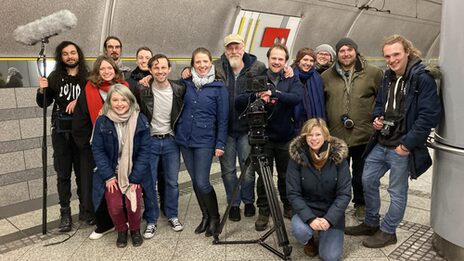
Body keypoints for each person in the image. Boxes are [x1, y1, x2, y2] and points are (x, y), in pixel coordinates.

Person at [345, 35, 441, 248]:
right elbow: (379, 104)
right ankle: (371, 222)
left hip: (402, 146)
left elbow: (429, 115)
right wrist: (377, 119)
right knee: (366, 179)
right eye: (387, 56)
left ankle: (388, 231)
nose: (391, 59)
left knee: (396, 191)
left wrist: (407, 145)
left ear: (408, 51)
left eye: (396, 54)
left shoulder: (422, 78)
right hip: (382, 141)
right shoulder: (388, 76)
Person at [236, 44, 303, 231]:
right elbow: (238, 102)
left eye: (281, 59)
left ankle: (287, 206)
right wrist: (256, 95)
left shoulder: (291, 78)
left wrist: (274, 93)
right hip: (263, 137)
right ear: (268, 59)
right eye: (274, 58)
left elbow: (297, 98)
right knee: (263, 178)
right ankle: (264, 211)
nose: (277, 62)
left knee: (285, 175)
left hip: (285, 137)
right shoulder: (258, 77)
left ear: (286, 61)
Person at [321, 37, 383, 221]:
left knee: (361, 174)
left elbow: (381, 100)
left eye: (349, 50)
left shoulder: (373, 73)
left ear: (356, 51)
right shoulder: (326, 76)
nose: (346, 53)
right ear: (337, 54)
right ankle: (337, 204)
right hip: (337, 135)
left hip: (364, 134)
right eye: (342, 50)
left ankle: (361, 204)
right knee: (337, 174)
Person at [72, 55, 129, 239]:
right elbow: (80, 120)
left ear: (115, 69)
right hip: (96, 148)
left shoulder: (124, 87)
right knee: (100, 186)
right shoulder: (88, 90)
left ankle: (125, 219)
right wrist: (89, 146)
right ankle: (104, 224)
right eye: (102, 69)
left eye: (109, 68)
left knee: (122, 184)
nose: (106, 71)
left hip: (121, 146)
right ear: (97, 71)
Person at [175, 47, 228, 237]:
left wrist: (220, 143)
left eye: (205, 61)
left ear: (211, 63)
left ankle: (214, 217)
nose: (202, 65)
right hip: (185, 139)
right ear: (192, 64)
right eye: (198, 62)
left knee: (203, 182)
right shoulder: (185, 83)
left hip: (205, 140)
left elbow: (223, 118)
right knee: (195, 182)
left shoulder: (219, 87)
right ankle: (205, 216)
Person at [36, 41, 88, 232]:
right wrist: (42, 89)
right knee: (63, 174)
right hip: (60, 133)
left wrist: (79, 100)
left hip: (82, 132)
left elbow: (95, 100)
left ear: (79, 54)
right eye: (65, 54)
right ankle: (65, 213)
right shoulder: (55, 76)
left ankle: (85, 209)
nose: (70, 56)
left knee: (83, 173)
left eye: (73, 52)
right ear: (61, 57)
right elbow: (44, 103)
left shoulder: (87, 78)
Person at [91, 84, 152, 248]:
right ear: (109, 102)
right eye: (115, 100)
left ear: (130, 100)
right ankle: (121, 230)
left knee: (133, 204)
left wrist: (135, 177)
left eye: (123, 99)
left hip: (133, 171)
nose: (119, 103)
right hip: (112, 172)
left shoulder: (140, 119)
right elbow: (97, 150)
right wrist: (108, 176)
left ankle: (135, 230)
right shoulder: (102, 121)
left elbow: (145, 150)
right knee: (115, 205)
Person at [215, 34, 266, 221]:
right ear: (225, 49)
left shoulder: (257, 66)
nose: (234, 51)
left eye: (237, 47)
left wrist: (288, 70)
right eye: (230, 48)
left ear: (244, 48)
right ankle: (234, 203)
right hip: (225, 129)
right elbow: (199, 73)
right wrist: (186, 72)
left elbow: (271, 83)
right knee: (228, 171)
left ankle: (249, 201)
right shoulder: (217, 67)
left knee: (248, 171)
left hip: (247, 128)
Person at [287, 118, 351, 260]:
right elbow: (293, 193)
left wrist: (329, 219)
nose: (314, 139)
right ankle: (309, 239)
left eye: (318, 134)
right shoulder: (297, 157)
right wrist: (310, 219)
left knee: (330, 257)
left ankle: (324, 234)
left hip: (331, 209)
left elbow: (344, 194)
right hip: (307, 207)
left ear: (326, 137)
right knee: (301, 231)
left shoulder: (338, 158)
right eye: (310, 135)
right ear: (305, 137)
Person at [138, 54, 186, 238]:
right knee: (149, 183)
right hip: (150, 141)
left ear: (169, 69)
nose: (160, 71)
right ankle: (151, 219)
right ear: (150, 70)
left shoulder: (179, 89)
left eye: (164, 68)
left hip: (171, 141)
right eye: (156, 68)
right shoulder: (142, 90)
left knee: (172, 182)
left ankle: (172, 215)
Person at [292, 47, 326, 132]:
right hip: (295, 125)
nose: (308, 63)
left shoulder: (318, 78)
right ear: (298, 60)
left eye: (311, 61)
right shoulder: (290, 76)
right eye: (305, 59)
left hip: (315, 124)